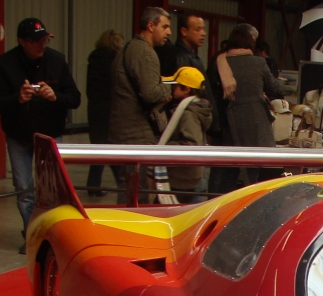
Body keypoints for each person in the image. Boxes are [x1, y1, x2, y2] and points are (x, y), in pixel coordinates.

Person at [0, 17, 81, 252]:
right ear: (22, 42)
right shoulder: (6, 64)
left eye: (45, 40)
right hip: (18, 135)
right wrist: (17, 98)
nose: (42, 45)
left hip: (50, 135)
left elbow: (75, 98)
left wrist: (56, 97)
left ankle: (52, 235)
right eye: (36, 41)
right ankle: (32, 234)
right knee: (24, 187)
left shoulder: (57, 61)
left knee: (52, 189)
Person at [209, 24, 284, 192]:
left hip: (230, 124)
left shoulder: (221, 62)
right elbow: (274, 89)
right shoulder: (259, 62)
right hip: (256, 123)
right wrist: (280, 82)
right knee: (256, 171)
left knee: (230, 173)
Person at [110, 7, 173, 202]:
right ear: (151, 26)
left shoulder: (127, 48)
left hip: (121, 132)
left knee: (127, 188)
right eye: (165, 27)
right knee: (138, 193)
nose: (169, 32)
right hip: (136, 135)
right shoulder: (145, 52)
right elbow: (150, 93)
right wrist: (169, 88)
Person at [161, 67, 213, 203]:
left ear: (186, 89)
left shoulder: (188, 114)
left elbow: (191, 144)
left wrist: (165, 146)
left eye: (176, 85)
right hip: (194, 175)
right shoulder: (197, 109)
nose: (173, 88)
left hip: (183, 179)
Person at [85, 29, 123, 197]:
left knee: (98, 147)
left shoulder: (93, 60)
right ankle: (122, 182)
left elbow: (89, 88)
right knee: (112, 149)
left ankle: (93, 185)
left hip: (95, 108)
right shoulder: (116, 62)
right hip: (110, 109)